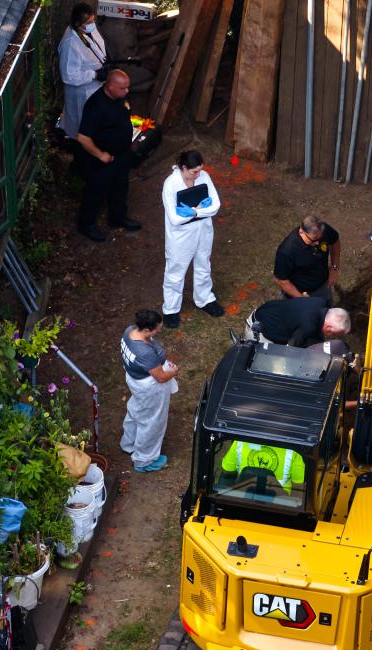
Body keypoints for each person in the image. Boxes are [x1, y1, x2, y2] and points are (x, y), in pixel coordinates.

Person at [75, 70, 141, 242]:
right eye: (123, 88)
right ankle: (86, 224)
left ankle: (117, 217)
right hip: (102, 159)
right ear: (110, 87)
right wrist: (101, 155)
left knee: (120, 187)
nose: (127, 91)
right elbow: (82, 137)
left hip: (122, 154)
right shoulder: (96, 105)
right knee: (96, 191)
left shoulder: (119, 98)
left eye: (127, 88)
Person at [161, 150, 224, 324]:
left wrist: (193, 212)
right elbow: (174, 218)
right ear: (183, 168)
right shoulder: (171, 184)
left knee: (204, 264)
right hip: (180, 237)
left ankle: (204, 299)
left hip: (203, 230)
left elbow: (216, 205)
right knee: (175, 271)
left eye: (200, 170)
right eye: (194, 171)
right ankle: (171, 308)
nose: (198, 174)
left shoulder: (204, 176)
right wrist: (201, 211)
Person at [119, 309, 178, 473]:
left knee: (136, 409)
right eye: (157, 328)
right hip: (149, 387)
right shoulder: (144, 352)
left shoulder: (130, 331)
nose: (159, 330)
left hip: (134, 380)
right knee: (152, 422)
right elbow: (160, 377)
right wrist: (172, 372)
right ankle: (144, 460)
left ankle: (128, 443)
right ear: (146, 329)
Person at [58, 3, 109, 140]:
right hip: (82, 94)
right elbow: (69, 76)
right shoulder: (70, 43)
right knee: (82, 128)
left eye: (93, 20)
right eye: (89, 22)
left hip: (96, 89)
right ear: (77, 24)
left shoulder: (87, 29)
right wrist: (94, 74)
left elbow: (97, 47)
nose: (92, 24)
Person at [273, 215, 341, 306]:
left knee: (327, 313)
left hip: (322, 286)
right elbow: (280, 279)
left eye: (319, 239)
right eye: (313, 240)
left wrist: (334, 267)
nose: (317, 243)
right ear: (301, 232)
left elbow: (335, 241)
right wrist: (301, 298)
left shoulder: (322, 230)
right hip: (301, 293)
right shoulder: (287, 251)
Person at [244, 297, 350, 347]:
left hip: (265, 311)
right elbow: (289, 350)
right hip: (259, 331)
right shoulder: (308, 326)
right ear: (329, 328)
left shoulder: (321, 302)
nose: (331, 336)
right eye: (334, 334)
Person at [219, 441, 305, 494]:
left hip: (242, 498)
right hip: (280, 505)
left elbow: (227, 475)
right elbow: (299, 489)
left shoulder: (239, 443)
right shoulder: (294, 451)